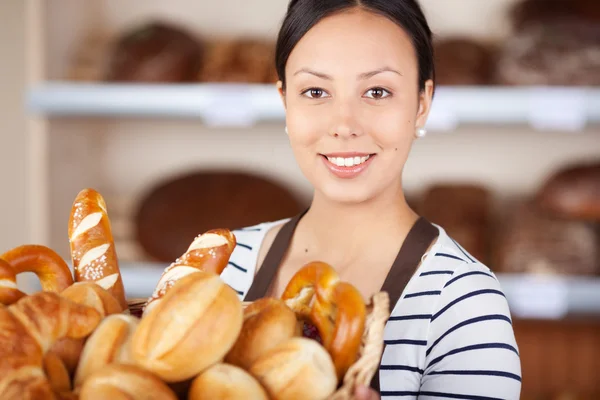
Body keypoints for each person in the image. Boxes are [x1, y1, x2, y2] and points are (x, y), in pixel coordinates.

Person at [219, 0, 522, 398]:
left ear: (421, 103)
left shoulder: (464, 300)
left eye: (377, 91)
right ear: (285, 103)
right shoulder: (220, 266)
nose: (344, 124)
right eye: (315, 91)